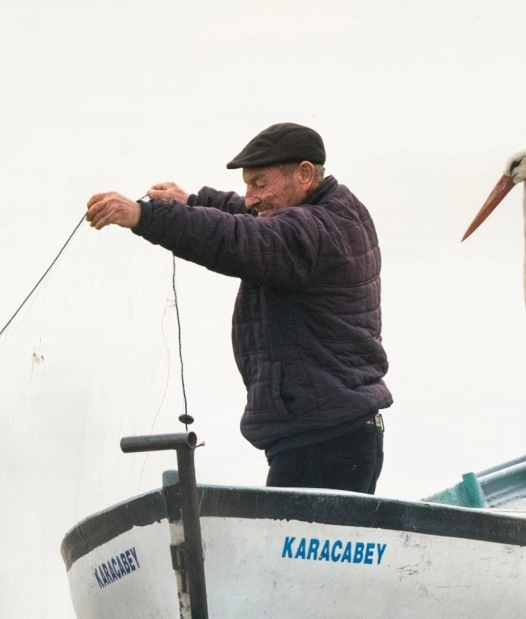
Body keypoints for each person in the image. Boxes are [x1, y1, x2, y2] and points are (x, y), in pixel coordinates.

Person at [85, 123, 392, 494]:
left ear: (305, 173)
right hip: (338, 434)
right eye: (247, 185)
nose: (249, 197)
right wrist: (194, 203)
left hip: (322, 444)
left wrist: (143, 217)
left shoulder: (311, 231)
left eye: (259, 184)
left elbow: (237, 238)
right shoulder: (338, 210)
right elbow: (249, 218)